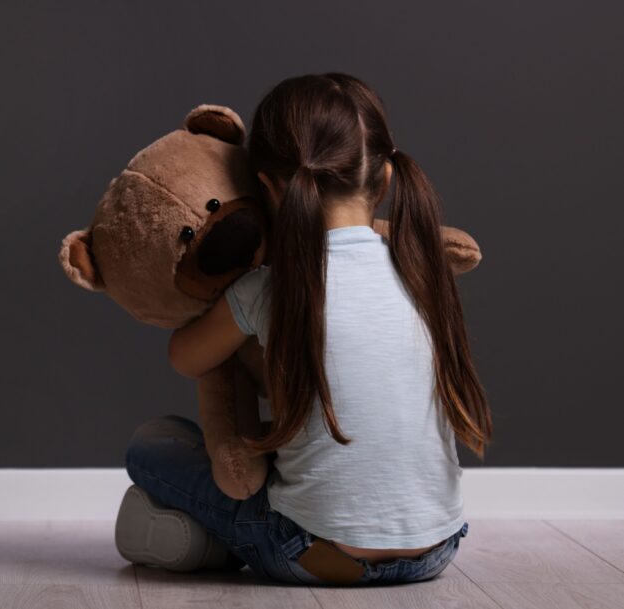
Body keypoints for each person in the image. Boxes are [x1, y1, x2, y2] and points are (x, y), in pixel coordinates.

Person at [115, 73, 492, 586]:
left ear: (268, 188)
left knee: (152, 445)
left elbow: (187, 358)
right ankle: (213, 539)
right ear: (383, 181)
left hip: (309, 554)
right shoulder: (425, 272)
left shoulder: (268, 288)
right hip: (437, 550)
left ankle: (210, 540)